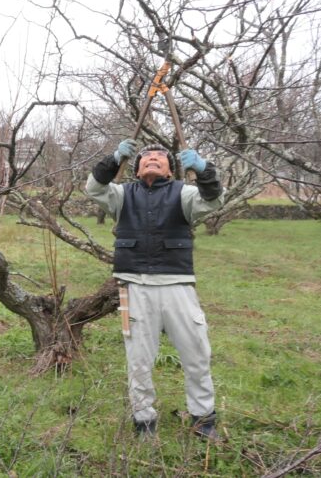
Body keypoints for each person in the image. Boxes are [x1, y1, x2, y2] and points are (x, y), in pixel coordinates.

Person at [85, 139, 224, 440]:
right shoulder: (121, 195)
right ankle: (143, 420)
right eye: (145, 157)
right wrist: (113, 160)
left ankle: (204, 418)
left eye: (160, 158)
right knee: (138, 359)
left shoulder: (185, 194)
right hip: (133, 288)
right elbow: (94, 188)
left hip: (177, 286)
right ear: (135, 168)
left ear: (171, 171)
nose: (152, 159)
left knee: (197, 353)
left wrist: (204, 169)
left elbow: (212, 200)